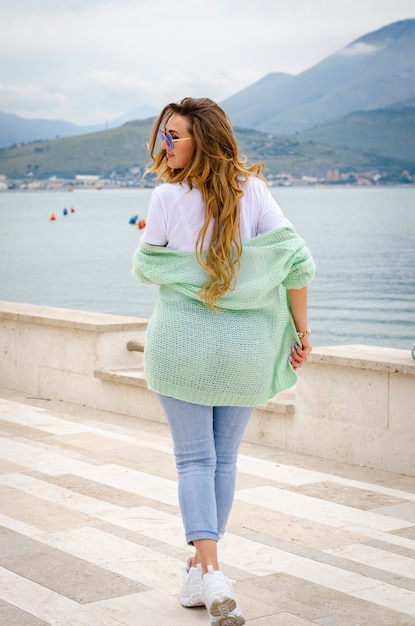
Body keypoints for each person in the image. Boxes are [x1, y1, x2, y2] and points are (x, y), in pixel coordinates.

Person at [132, 97, 315, 626]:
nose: (165, 145)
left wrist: (190, 275)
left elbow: (148, 264)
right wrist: (301, 333)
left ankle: (211, 573)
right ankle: (199, 568)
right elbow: (296, 262)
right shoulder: (253, 192)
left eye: (176, 136)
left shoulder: (166, 198)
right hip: (244, 349)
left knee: (195, 460)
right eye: (163, 135)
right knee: (223, 460)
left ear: (202, 141)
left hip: (180, 346)